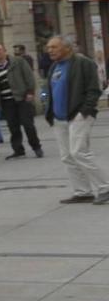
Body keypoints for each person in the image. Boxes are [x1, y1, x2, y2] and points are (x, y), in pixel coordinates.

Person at [44, 34, 108, 204]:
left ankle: (106, 187)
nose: (50, 50)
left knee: (79, 152)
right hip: (59, 118)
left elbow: (94, 89)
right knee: (67, 156)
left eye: (54, 47)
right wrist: (49, 112)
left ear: (67, 48)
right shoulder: (54, 67)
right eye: (48, 47)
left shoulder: (83, 63)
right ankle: (82, 191)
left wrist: (84, 111)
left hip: (78, 115)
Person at [0, 44, 44, 159]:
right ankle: (18, 149)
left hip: (22, 98)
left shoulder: (18, 62)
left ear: (5, 51)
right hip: (6, 101)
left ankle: (36, 147)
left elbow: (29, 76)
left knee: (28, 125)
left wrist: (30, 92)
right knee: (13, 127)